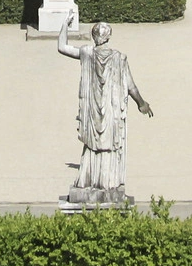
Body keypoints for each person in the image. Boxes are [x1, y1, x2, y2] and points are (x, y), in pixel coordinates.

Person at [55, 18, 151, 205]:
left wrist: (64, 25)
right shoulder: (119, 58)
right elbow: (131, 86)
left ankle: (88, 181)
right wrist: (141, 103)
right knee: (109, 148)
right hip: (111, 113)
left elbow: (62, 47)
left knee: (92, 147)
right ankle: (108, 183)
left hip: (92, 112)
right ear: (109, 37)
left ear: (93, 37)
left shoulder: (87, 53)